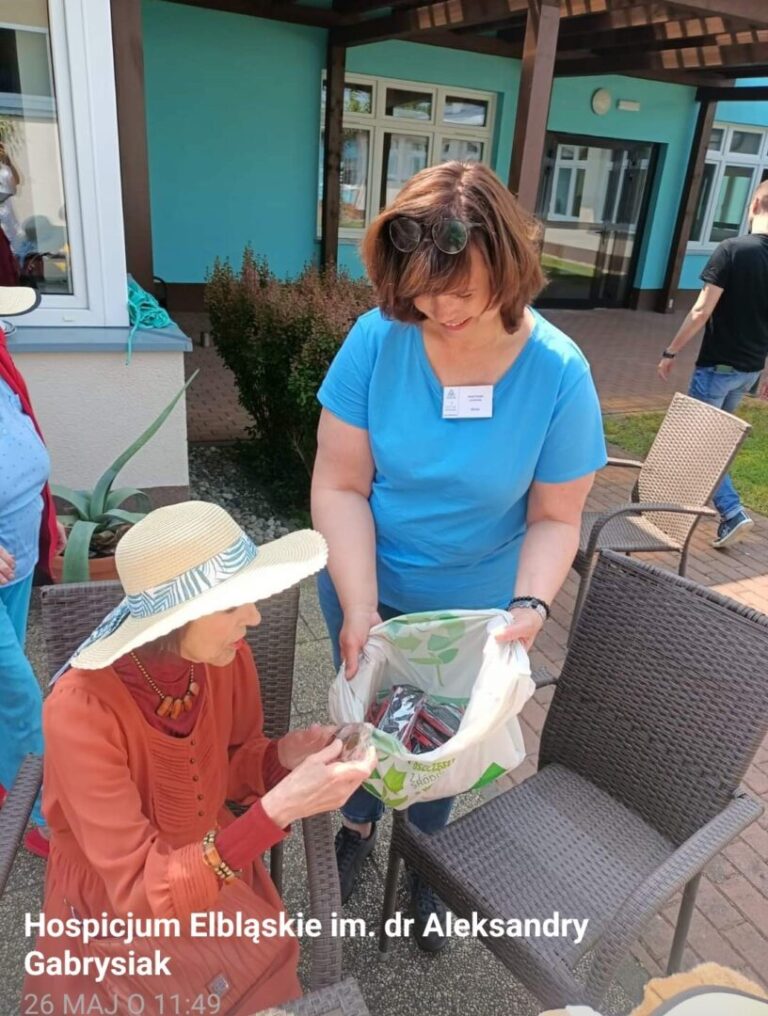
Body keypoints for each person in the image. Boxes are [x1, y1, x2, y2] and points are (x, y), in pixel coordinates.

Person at [311, 160, 607, 951]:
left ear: (508, 269)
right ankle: (360, 830)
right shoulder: (378, 340)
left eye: (462, 292)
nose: (438, 309)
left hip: (476, 613)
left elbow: (554, 516)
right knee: (370, 735)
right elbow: (340, 486)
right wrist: (364, 603)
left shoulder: (557, 373)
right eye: (419, 291)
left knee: (443, 750)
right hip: (367, 583)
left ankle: (425, 862)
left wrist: (531, 605)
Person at [27, 501, 376, 1014]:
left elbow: (228, 769)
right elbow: (139, 893)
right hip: (118, 912)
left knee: (264, 985)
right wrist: (279, 809)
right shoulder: (81, 712)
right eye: (234, 604)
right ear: (175, 618)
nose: (255, 618)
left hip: (214, 865)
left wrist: (284, 758)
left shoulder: (222, 658)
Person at [657, 179, 768, 548]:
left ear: (753, 206)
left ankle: (732, 512)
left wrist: (671, 351)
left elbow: (702, 308)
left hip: (718, 369)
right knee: (713, 441)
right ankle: (687, 505)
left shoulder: (732, 250)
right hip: (748, 371)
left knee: (705, 445)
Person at [0, 283, 63, 857]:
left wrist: (44, 514)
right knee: (18, 689)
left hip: (13, 556)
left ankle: (8, 783)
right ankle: (48, 815)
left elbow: (22, 442)